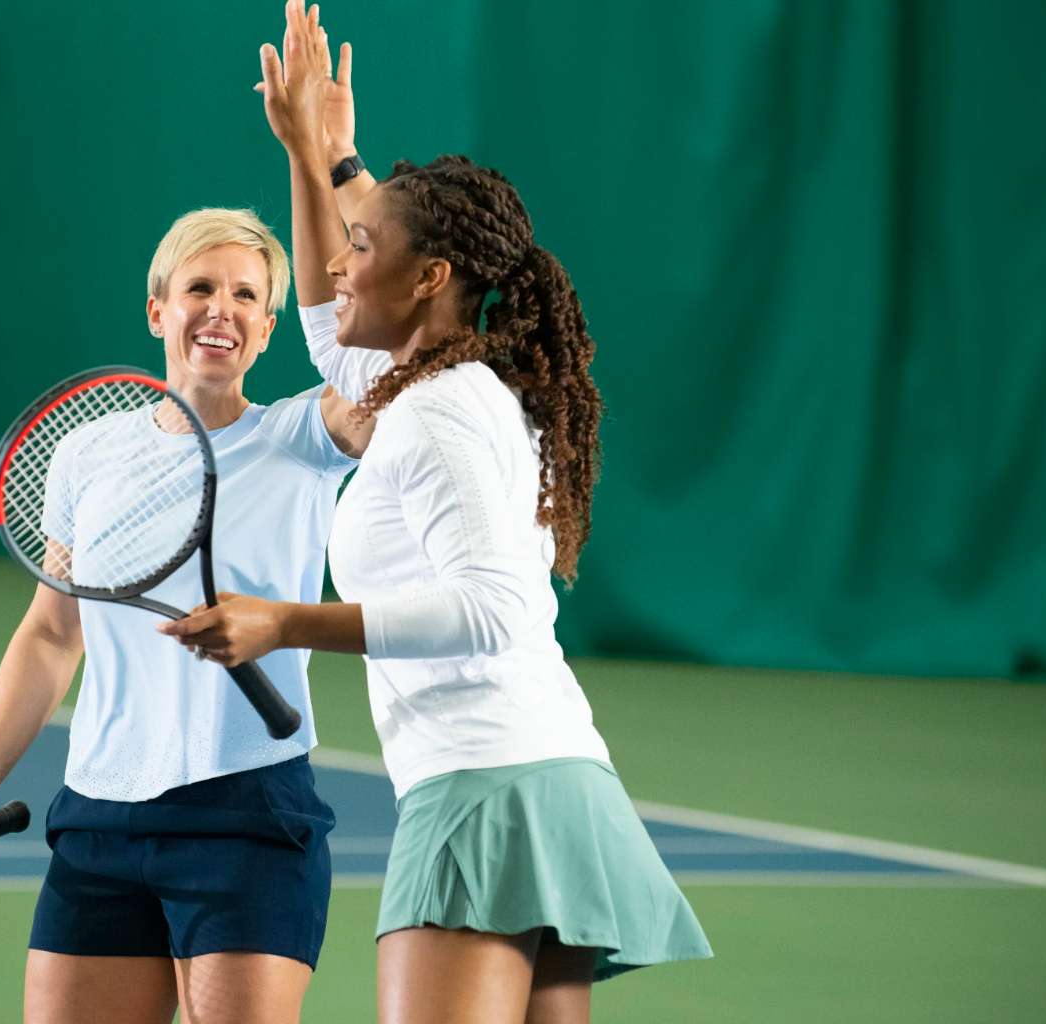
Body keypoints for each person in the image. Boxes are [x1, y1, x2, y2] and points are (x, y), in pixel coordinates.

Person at [160, 4, 713, 1022]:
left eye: (359, 243)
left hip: (482, 791)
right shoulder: (436, 389)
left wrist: (285, 622)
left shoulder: (439, 418)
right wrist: (317, 153)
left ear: (431, 279)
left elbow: (493, 606)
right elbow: (335, 339)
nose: (336, 258)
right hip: (543, 778)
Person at [0, 206, 375, 1024]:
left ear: (271, 329)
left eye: (246, 296)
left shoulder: (302, 440)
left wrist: (329, 162)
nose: (222, 309)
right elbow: (53, 633)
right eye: (201, 286)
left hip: (247, 814)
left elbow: (380, 381)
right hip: (100, 818)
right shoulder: (86, 455)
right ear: (157, 309)